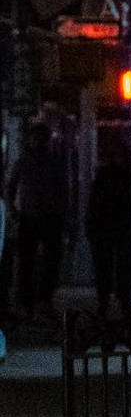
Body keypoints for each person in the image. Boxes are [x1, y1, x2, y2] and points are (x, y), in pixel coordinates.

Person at [5, 123, 69, 320]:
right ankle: (27, 302)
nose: (38, 142)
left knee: (51, 260)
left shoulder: (53, 162)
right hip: (30, 217)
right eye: (36, 138)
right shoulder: (24, 162)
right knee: (26, 261)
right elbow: (10, 186)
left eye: (41, 138)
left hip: (49, 217)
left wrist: (64, 213)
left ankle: (43, 300)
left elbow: (63, 190)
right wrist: (13, 209)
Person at [86, 138, 131, 323]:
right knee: (106, 269)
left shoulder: (121, 176)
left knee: (122, 269)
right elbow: (94, 203)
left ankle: (120, 303)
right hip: (107, 227)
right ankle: (107, 303)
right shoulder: (108, 176)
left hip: (119, 227)